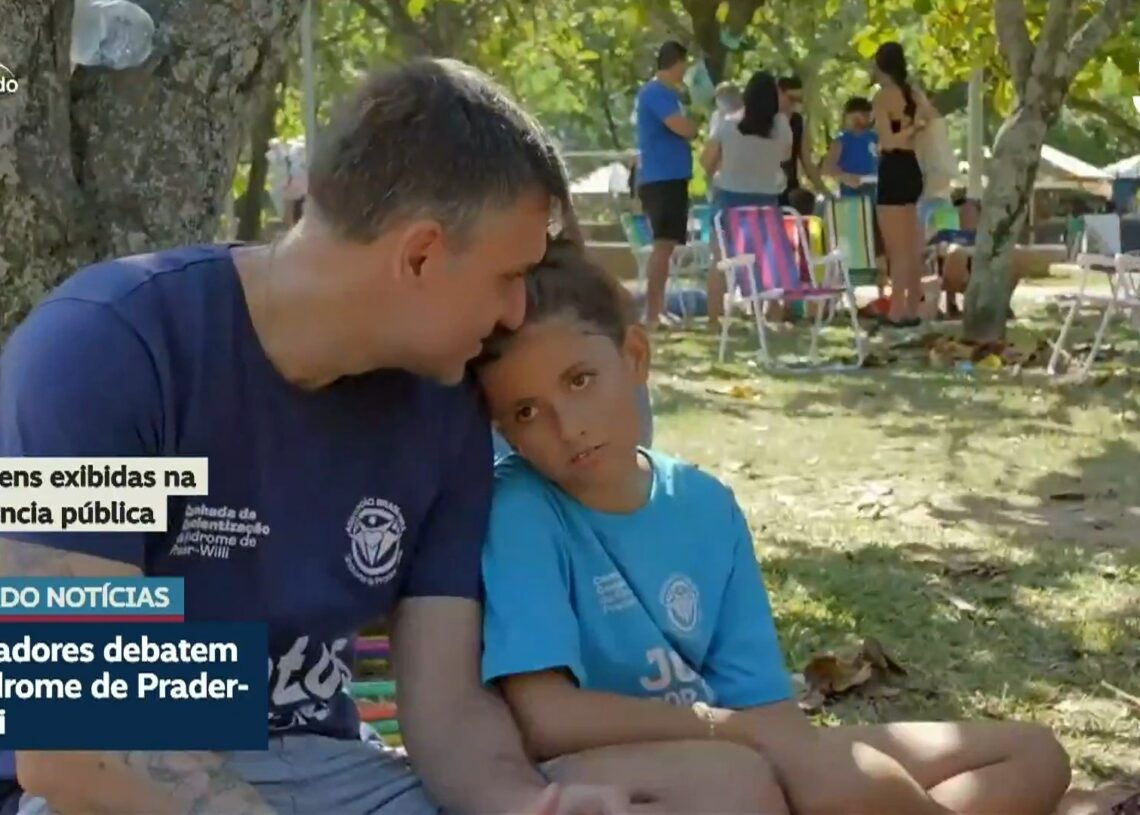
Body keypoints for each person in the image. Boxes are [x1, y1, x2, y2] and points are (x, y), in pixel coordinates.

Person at [0, 58, 630, 815]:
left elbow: (446, 714)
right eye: (509, 276)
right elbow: (80, 739)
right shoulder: (109, 348)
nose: (518, 313)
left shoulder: (443, 403)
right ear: (421, 255)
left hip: (328, 769)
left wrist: (526, 804)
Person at [470, 239, 1077, 815]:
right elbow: (549, 720)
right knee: (748, 783)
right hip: (605, 773)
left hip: (737, 745)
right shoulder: (521, 509)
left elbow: (762, 702)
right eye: (526, 412)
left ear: (634, 358)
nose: (567, 425)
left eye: (579, 380)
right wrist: (733, 733)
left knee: (1032, 753)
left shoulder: (704, 505)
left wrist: (799, 756)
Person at [699, 70, 792, 332]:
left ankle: (714, 318)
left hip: (729, 199)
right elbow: (784, 156)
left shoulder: (727, 124)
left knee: (719, 260)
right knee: (769, 261)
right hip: (765, 201)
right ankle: (773, 315)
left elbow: (706, 162)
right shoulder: (781, 127)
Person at [872, 41, 939, 328]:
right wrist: (917, 126)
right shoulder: (913, 94)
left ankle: (897, 310)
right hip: (912, 168)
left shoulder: (882, 97)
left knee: (896, 247)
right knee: (911, 244)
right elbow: (932, 115)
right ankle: (912, 306)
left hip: (893, 168)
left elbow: (887, 141)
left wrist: (908, 129)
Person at [634, 40, 697, 330]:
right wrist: (693, 123)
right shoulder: (655, 93)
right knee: (662, 246)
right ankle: (651, 312)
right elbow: (682, 127)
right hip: (661, 178)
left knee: (668, 246)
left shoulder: (669, 95)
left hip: (673, 177)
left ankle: (657, 309)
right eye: (684, 65)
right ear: (676, 62)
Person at [822, 96, 888, 300]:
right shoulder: (841, 140)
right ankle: (845, 294)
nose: (859, 119)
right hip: (852, 203)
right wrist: (844, 176)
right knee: (850, 246)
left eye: (864, 114)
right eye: (855, 114)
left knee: (880, 247)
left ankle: (882, 293)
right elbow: (827, 168)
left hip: (876, 198)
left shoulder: (876, 138)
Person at [776, 76, 826, 207]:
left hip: (789, 189)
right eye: (791, 99)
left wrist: (825, 191)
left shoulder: (798, 122)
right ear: (778, 93)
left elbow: (807, 162)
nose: (794, 105)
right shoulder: (762, 120)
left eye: (799, 101)